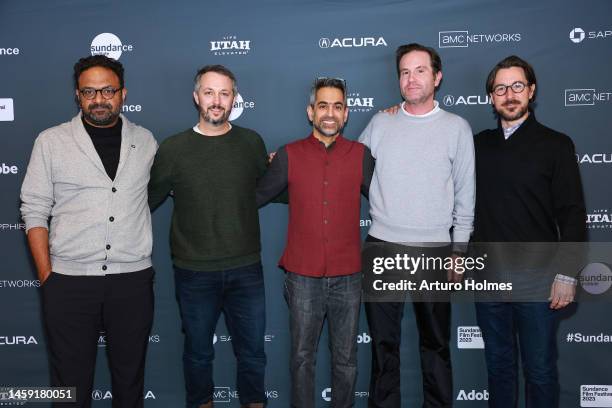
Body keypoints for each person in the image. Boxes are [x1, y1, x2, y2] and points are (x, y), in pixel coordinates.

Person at [20, 55, 157, 408]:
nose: (99, 99)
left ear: (123, 93)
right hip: (68, 283)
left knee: (130, 383)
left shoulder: (145, 142)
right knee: (69, 387)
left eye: (107, 90)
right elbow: (34, 210)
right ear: (78, 97)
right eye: (89, 92)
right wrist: (47, 277)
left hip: (132, 282)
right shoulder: (50, 141)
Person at [359, 43, 475, 407]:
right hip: (382, 247)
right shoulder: (381, 121)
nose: (411, 78)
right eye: (405, 72)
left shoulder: (457, 127)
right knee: (382, 346)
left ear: (437, 77)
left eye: (420, 70)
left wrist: (459, 249)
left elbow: (465, 193)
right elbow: (349, 168)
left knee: (436, 344)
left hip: (435, 250)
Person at [148, 64, 268, 408]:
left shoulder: (251, 142)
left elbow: (275, 189)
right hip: (194, 272)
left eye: (224, 93)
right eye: (210, 92)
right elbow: (144, 202)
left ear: (234, 98)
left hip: (246, 269)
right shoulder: (173, 148)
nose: (217, 101)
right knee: (199, 355)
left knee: (254, 355)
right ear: (196, 96)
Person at [473, 55, 586, 408]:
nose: (509, 95)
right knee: (498, 368)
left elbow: (572, 214)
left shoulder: (556, 144)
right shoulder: (477, 145)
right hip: (489, 277)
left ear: (531, 91)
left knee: (538, 370)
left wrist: (567, 273)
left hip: (539, 280)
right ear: (491, 96)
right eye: (501, 88)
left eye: (517, 86)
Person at [256, 77, 374, 408]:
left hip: (348, 275)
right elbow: (255, 195)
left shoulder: (361, 155)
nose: (330, 113)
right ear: (311, 112)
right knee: (301, 358)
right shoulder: (289, 155)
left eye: (337, 106)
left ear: (347, 113)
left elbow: (387, 199)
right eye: (323, 105)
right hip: (302, 276)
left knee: (346, 360)